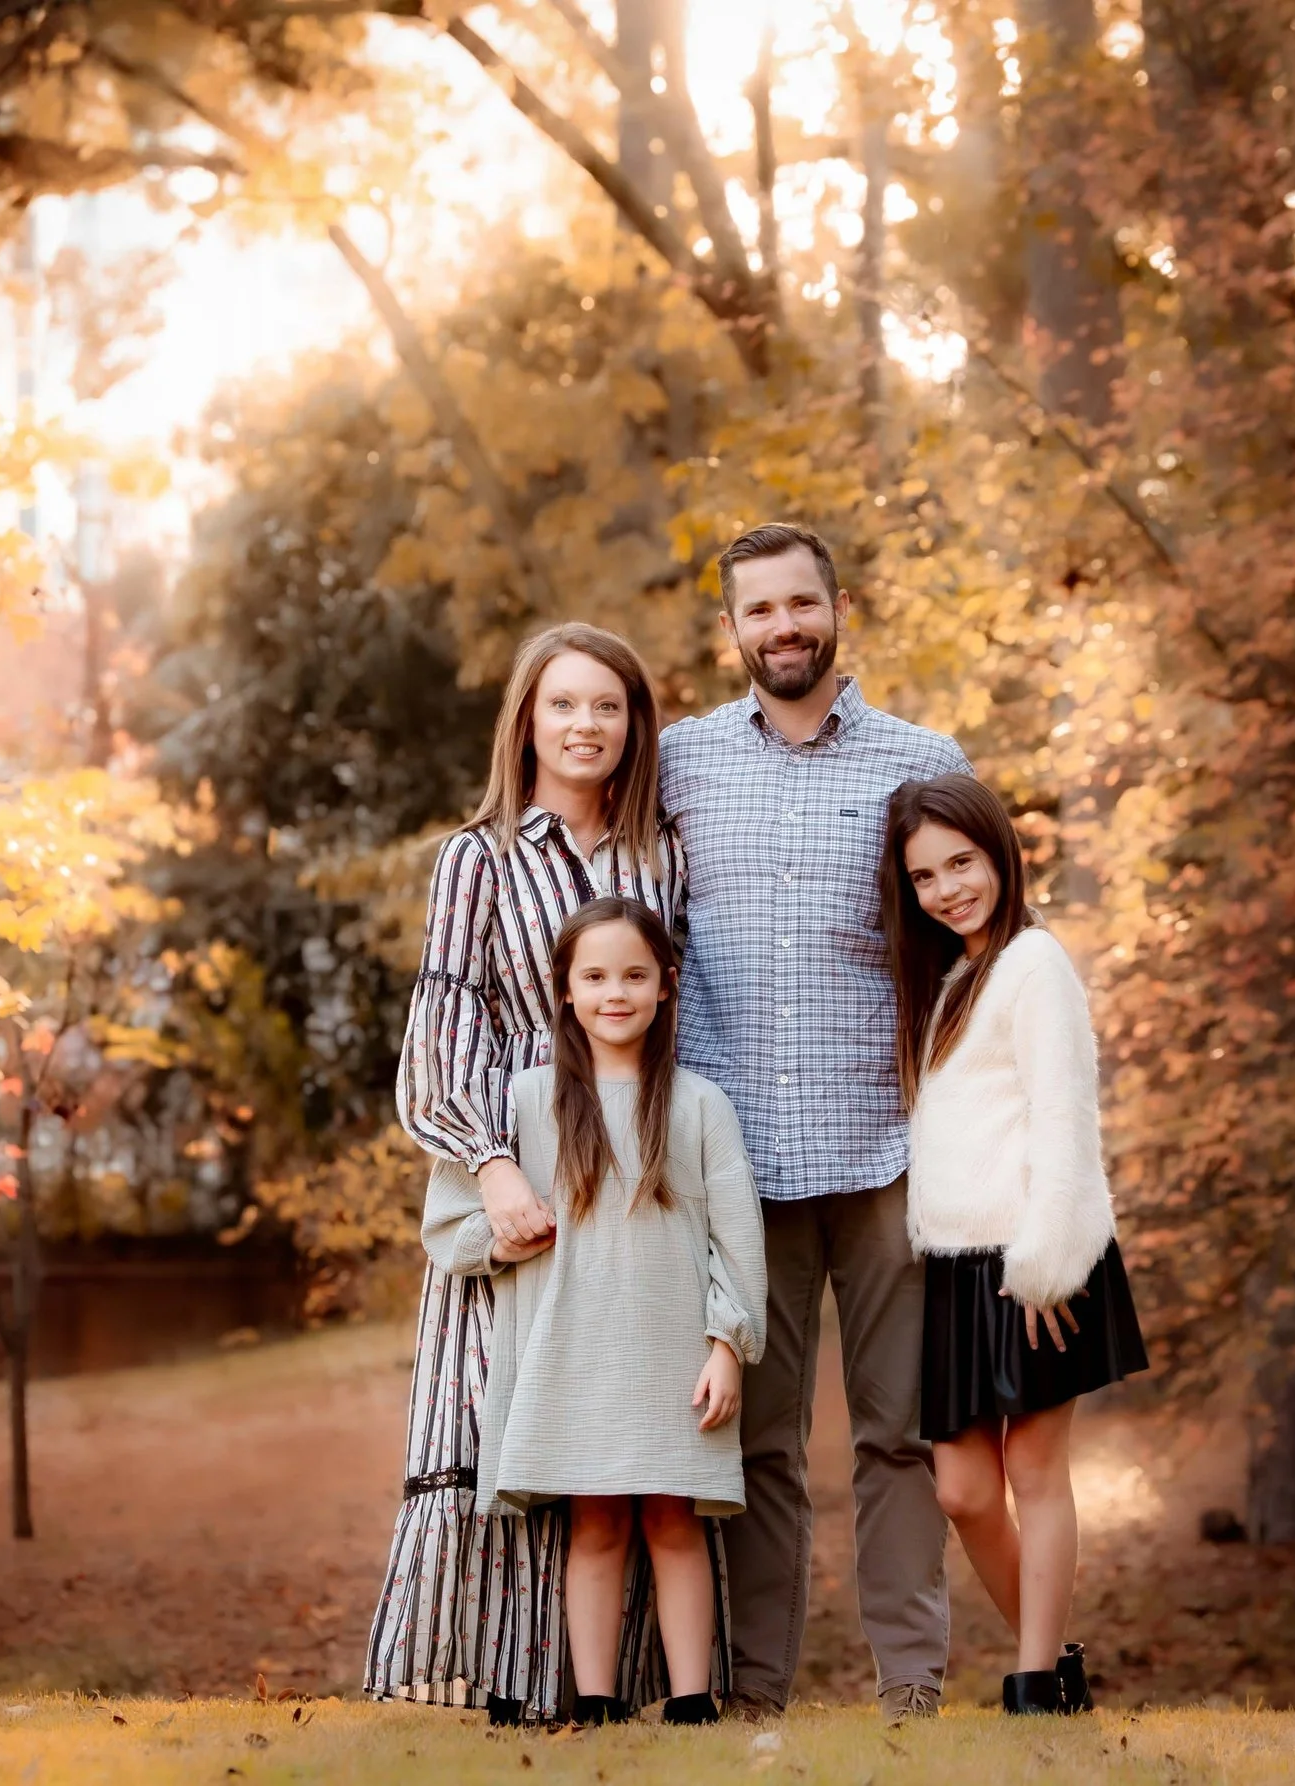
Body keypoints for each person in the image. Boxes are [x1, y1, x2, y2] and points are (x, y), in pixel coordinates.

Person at [660, 522, 972, 1721]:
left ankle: (912, 1692)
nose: (782, 627)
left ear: (837, 606)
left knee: (899, 1435)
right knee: (754, 1445)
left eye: (801, 603)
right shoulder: (681, 763)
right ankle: (752, 1700)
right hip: (736, 1165)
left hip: (891, 1151)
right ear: (731, 628)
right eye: (758, 610)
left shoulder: (921, 757)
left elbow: (971, 940)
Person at [367, 623, 700, 1725]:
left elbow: (675, 1022)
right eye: (563, 705)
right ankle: (514, 1683)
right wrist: (492, 1165)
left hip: (639, 1177)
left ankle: (621, 1687)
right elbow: (441, 1033)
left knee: (629, 1436)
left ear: (633, 724)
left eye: (606, 706)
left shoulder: (660, 852)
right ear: (527, 720)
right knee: (500, 1419)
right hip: (525, 1179)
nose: (585, 726)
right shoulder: (479, 857)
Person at [421, 899, 767, 1728]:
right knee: (597, 1526)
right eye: (596, 976)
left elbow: (739, 1240)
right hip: (572, 1355)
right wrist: (504, 1239)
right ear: (565, 992)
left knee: (676, 1523)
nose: (617, 992)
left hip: (673, 1358)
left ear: (666, 987)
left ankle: (691, 1705)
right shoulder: (524, 1102)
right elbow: (449, 1232)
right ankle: (600, 1701)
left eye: (635, 975)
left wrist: (727, 1345)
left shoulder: (698, 1105)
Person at [880, 773, 1146, 1716]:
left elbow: (1067, 1120)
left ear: (1000, 855)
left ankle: (1034, 1685)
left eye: (963, 863)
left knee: (1034, 1474)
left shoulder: (1035, 963)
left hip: (1039, 1260)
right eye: (925, 876)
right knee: (961, 1488)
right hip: (957, 1266)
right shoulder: (953, 976)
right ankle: (1057, 1658)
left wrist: (1048, 1262)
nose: (949, 888)